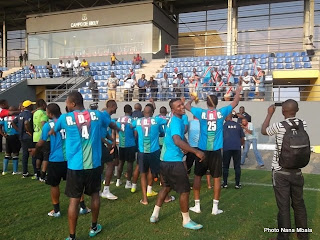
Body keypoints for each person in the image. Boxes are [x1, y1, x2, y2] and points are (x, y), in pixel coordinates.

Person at [51, 91, 111, 240]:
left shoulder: (65, 118)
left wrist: (53, 131)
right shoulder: (96, 114)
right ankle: (94, 227)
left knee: (74, 200)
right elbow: (107, 124)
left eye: (67, 103)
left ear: (72, 104)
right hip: (94, 164)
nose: (66, 106)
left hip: (75, 166)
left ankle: (72, 236)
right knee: (95, 195)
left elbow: (54, 130)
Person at [185, 86, 241, 215]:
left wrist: (192, 99)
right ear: (216, 103)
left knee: (198, 176)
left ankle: (197, 205)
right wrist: (237, 92)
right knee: (216, 178)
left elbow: (187, 106)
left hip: (202, 150)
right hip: (215, 150)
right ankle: (215, 208)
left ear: (206, 103)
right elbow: (235, 102)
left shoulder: (201, 113)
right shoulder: (221, 112)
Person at [150, 98, 205, 230]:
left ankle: (154, 214)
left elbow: (177, 138)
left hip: (165, 160)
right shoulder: (176, 121)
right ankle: (186, 220)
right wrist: (195, 151)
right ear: (173, 110)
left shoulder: (175, 120)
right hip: (174, 162)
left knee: (166, 187)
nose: (182, 107)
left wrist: (184, 145)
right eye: (178, 106)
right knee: (185, 191)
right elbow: (176, 140)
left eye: (182, 105)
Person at [261, 100, 309, 240]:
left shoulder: (279, 126)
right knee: (299, 205)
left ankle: (283, 237)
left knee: (284, 207)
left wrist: (269, 114)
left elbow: (264, 131)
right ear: (297, 110)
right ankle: (303, 236)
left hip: (280, 172)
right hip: (297, 171)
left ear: (283, 112)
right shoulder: (303, 124)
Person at [132, 105, 167, 205]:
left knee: (143, 174)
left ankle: (145, 199)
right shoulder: (157, 120)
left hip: (142, 152)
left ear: (143, 112)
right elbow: (164, 128)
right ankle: (165, 196)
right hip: (154, 151)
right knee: (158, 171)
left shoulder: (138, 121)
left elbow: (130, 125)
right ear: (152, 113)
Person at [12, 100, 36, 178]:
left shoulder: (20, 114)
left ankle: (24, 172)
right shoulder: (30, 114)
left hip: (22, 137)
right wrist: (30, 132)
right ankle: (36, 171)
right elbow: (27, 123)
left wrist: (19, 130)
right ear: (29, 106)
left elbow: (13, 122)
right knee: (33, 154)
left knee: (25, 154)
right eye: (31, 105)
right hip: (28, 136)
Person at [100, 100, 119, 200]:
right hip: (99, 143)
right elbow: (97, 133)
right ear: (112, 106)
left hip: (101, 142)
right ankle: (106, 190)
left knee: (100, 166)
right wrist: (108, 143)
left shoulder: (106, 116)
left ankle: (98, 189)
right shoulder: (103, 116)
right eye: (116, 106)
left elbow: (104, 132)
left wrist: (112, 140)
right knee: (110, 164)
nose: (117, 108)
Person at [116, 105, 136, 189]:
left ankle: (118, 180)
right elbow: (135, 132)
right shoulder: (132, 120)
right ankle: (128, 182)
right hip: (130, 144)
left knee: (121, 162)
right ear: (131, 110)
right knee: (130, 163)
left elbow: (116, 130)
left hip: (121, 144)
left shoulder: (119, 119)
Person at [222, 114, 245, 189]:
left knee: (225, 166)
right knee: (237, 166)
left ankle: (225, 183)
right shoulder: (238, 125)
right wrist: (240, 144)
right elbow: (242, 138)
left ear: (226, 117)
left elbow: (220, 137)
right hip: (236, 148)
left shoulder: (224, 126)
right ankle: (237, 184)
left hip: (227, 147)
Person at [0, 106, 21, 175]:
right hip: (15, 136)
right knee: (15, 153)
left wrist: (3, 134)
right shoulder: (16, 117)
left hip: (8, 136)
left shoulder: (5, 118)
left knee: (7, 153)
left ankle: (4, 171)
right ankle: (15, 171)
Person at [33, 99, 49, 181]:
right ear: (43, 104)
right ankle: (43, 175)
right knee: (46, 156)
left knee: (38, 156)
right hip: (42, 136)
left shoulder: (35, 113)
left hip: (35, 136)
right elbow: (43, 123)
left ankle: (37, 173)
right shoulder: (43, 113)